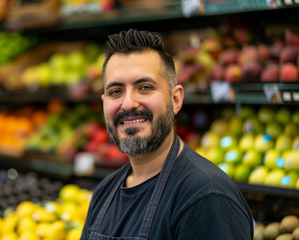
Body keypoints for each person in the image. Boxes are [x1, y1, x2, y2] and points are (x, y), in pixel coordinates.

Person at [80, 29, 254, 240]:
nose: (127, 104)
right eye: (115, 91)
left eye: (144, 87)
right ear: (104, 102)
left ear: (175, 100)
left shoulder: (205, 197)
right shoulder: (103, 194)